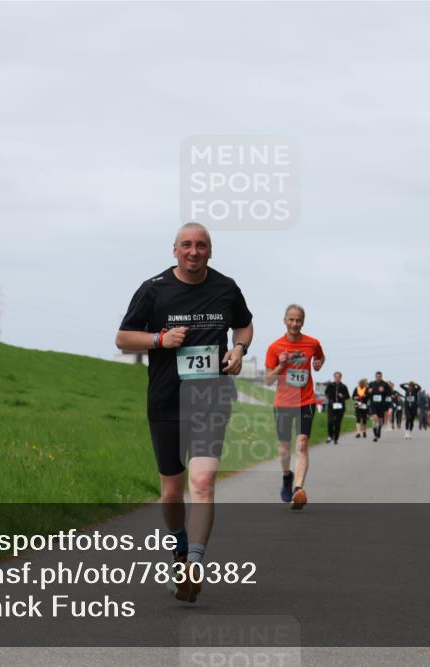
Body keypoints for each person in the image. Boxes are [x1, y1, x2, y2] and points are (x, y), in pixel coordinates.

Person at [115, 222, 253, 602]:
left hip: (212, 399)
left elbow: (244, 325)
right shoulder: (154, 289)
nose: (194, 251)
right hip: (166, 402)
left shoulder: (226, 288)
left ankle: (194, 562)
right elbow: (123, 337)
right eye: (187, 245)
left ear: (211, 251)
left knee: (204, 483)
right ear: (175, 250)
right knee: (172, 492)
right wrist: (160, 339)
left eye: (202, 246)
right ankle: (178, 548)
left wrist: (238, 350)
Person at [265, 304, 325, 510]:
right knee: (284, 448)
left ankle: (298, 489)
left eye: (298, 320)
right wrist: (281, 366)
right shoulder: (275, 347)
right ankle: (287, 476)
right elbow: (267, 381)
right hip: (283, 403)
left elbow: (320, 357)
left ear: (303, 322)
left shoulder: (312, 343)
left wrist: (318, 363)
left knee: (301, 444)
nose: (294, 323)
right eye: (291, 319)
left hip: (306, 400)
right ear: (284, 320)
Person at [324, 372, 350, 445]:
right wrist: (330, 397)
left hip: (340, 407)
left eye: (338, 377)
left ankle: (336, 438)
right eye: (336, 377)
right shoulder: (330, 385)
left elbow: (348, 396)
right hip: (331, 406)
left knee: (337, 423)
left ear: (341, 377)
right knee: (330, 421)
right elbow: (326, 393)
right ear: (334, 377)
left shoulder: (343, 386)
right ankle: (330, 436)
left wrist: (343, 396)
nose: (337, 378)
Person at [368, 371, 393, 441]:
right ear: (375, 376)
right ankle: (375, 434)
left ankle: (379, 431)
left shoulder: (385, 384)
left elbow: (389, 393)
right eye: (377, 376)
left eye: (379, 376)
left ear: (381, 376)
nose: (378, 378)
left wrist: (383, 391)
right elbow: (367, 393)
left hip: (381, 405)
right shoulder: (371, 383)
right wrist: (369, 391)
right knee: (375, 418)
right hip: (373, 404)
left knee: (380, 421)